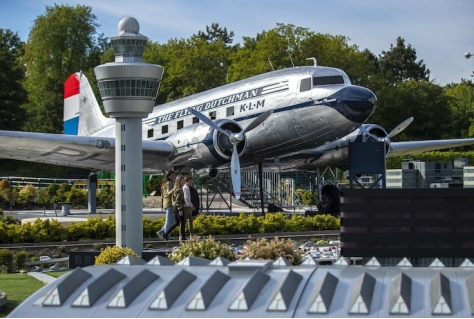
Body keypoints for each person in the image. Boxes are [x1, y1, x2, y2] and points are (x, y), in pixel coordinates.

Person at [162, 175, 186, 241]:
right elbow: (178, 200)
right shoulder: (179, 190)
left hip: (175, 207)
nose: (183, 182)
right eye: (181, 181)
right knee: (182, 222)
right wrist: (180, 209)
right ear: (178, 181)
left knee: (176, 222)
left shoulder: (178, 189)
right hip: (178, 207)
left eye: (183, 181)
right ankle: (183, 237)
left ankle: (166, 234)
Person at [156, 170, 178, 240]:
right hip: (169, 203)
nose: (173, 177)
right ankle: (167, 234)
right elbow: (168, 193)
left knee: (171, 220)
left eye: (174, 176)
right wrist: (174, 189)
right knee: (169, 221)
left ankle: (161, 231)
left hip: (167, 203)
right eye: (172, 176)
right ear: (168, 176)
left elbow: (162, 195)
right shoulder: (169, 183)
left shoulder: (165, 183)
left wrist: (162, 205)